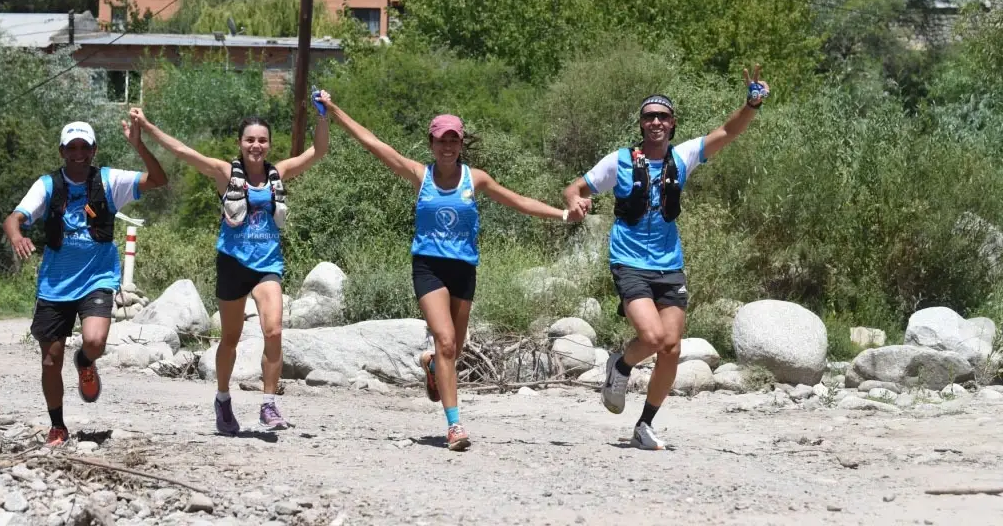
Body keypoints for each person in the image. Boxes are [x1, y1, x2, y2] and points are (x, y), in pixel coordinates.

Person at [319, 92, 586, 452]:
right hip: (429, 266)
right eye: (441, 140)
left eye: (453, 140)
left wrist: (563, 214)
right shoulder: (419, 174)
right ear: (431, 143)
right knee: (445, 341)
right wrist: (334, 110)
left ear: (461, 144)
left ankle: (431, 366)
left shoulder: (475, 180)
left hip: (464, 269)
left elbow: (519, 201)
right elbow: (373, 143)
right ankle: (455, 425)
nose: (447, 146)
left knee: (453, 349)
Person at [563, 67, 770, 450]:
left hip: (668, 264)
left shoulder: (683, 156)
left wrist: (752, 103)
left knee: (672, 347)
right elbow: (574, 186)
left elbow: (728, 132)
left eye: (662, 116)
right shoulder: (620, 161)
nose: (655, 122)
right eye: (649, 116)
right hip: (628, 261)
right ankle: (620, 365)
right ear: (641, 124)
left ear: (672, 124)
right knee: (654, 337)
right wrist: (575, 201)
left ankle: (644, 424)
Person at [127, 105, 328, 434]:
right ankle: (222, 398)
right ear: (240, 143)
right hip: (232, 264)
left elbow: (319, 150)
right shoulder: (224, 173)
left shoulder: (280, 172)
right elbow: (182, 150)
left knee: (274, 330)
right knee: (230, 339)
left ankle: (268, 404)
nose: (256, 146)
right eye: (250, 140)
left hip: (267, 266)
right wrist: (147, 126)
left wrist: (322, 116)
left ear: (269, 145)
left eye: (262, 140)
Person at [3, 119, 167, 447]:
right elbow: (13, 218)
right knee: (50, 360)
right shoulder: (48, 185)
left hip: (97, 277)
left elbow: (159, 179)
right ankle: (58, 426)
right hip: (55, 284)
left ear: (93, 150)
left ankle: (85, 362)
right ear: (62, 151)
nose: (78, 153)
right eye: (72, 147)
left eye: (84, 147)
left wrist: (138, 144)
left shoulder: (108, 180)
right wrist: (17, 235)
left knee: (94, 341)